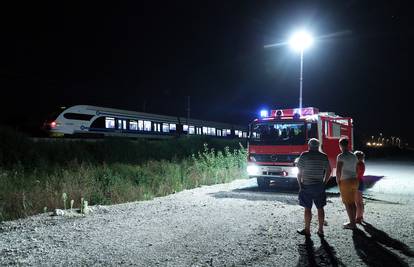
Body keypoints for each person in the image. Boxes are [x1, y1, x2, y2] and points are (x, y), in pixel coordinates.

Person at [296, 138, 331, 237]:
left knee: (307, 208)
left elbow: (299, 173)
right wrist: (324, 183)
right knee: (320, 208)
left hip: (306, 185)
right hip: (319, 186)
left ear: (309, 146)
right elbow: (329, 171)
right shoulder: (323, 156)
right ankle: (320, 230)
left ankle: (307, 230)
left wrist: (300, 185)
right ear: (318, 146)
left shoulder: (304, 155)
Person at [336, 137, 358, 230]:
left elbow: (338, 171)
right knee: (353, 202)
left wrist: (338, 182)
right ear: (348, 144)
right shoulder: (354, 156)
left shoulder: (340, 156)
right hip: (354, 180)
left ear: (340, 145)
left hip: (345, 181)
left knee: (347, 203)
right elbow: (356, 169)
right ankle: (353, 221)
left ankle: (352, 224)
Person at [354, 151, 366, 223]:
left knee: (357, 202)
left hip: (356, 182)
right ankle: (361, 216)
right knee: (360, 202)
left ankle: (358, 217)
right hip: (361, 181)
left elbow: (355, 174)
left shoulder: (357, 165)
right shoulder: (362, 164)